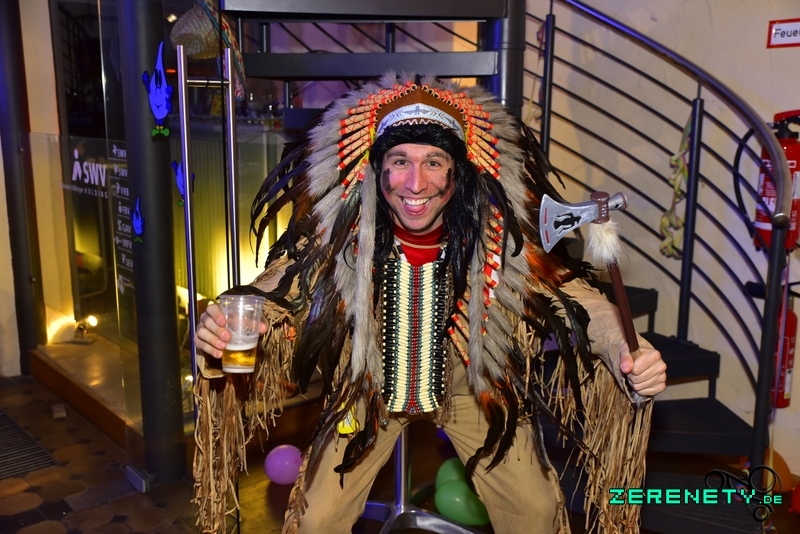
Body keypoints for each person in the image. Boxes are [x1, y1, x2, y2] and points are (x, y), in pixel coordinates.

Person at [192, 72, 667, 534]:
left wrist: (626, 348)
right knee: (317, 520)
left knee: (535, 510)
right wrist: (227, 320)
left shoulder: (500, 238)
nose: (415, 184)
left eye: (434, 162)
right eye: (400, 160)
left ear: (457, 172)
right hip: (367, 391)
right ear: (377, 169)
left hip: (475, 391)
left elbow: (579, 300)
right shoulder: (341, 235)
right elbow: (274, 288)